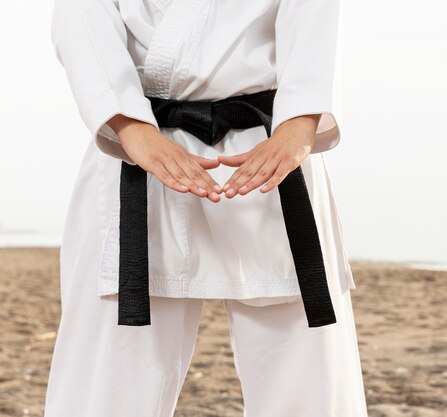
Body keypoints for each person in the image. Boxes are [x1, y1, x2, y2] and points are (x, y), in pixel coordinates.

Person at [43, 0, 369, 416]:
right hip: (138, 151)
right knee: (106, 371)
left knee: (308, 368)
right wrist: (132, 129)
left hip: (270, 151)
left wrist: (299, 127)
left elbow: (314, 25)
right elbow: (80, 22)